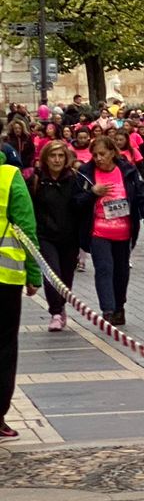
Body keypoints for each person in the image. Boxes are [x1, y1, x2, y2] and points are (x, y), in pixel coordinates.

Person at [83, 131, 144, 327]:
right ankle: (107, 310)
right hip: (98, 230)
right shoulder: (86, 173)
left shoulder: (128, 171)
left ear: (112, 153)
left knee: (121, 272)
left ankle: (119, 308)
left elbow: (143, 196)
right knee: (104, 268)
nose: (98, 159)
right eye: (95, 155)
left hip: (123, 231)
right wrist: (92, 193)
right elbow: (75, 201)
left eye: (102, 154)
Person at [29, 140, 90, 332]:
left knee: (66, 276)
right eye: (52, 156)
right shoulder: (37, 179)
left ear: (66, 159)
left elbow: (81, 205)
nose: (56, 160)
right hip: (46, 236)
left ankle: (61, 305)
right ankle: (55, 312)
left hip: (69, 236)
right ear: (45, 158)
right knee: (52, 273)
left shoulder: (75, 179)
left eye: (60, 156)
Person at [0, 154, 41, 439]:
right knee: (3, 348)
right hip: (4, 277)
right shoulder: (9, 176)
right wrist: (34, 273)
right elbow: (26, 226)